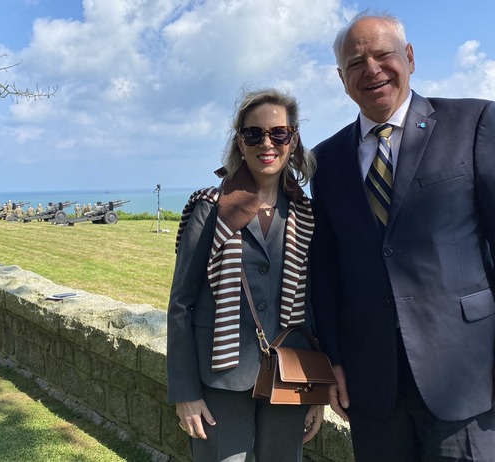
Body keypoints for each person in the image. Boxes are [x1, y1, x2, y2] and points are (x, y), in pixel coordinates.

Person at [310, 11, 495, 461]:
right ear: (342, 78)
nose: (371, 69)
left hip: (464, 376)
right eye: (355, 63)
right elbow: (326, 273)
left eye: (383, 54)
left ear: (409, 58)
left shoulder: (473, 123)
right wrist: (333, 361)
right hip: (372, 384)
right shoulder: (326, 159)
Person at [167, 88, 322, 462]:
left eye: (278, 133)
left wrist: (317, 393)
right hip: (220, 377)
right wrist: (184, 392)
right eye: (254, 133)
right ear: (240, 140)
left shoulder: (305, 214)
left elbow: (314, 306)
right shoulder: (210, 208)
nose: (266, 143)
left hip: (290, 377)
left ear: (293, 139)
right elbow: (181, 305)